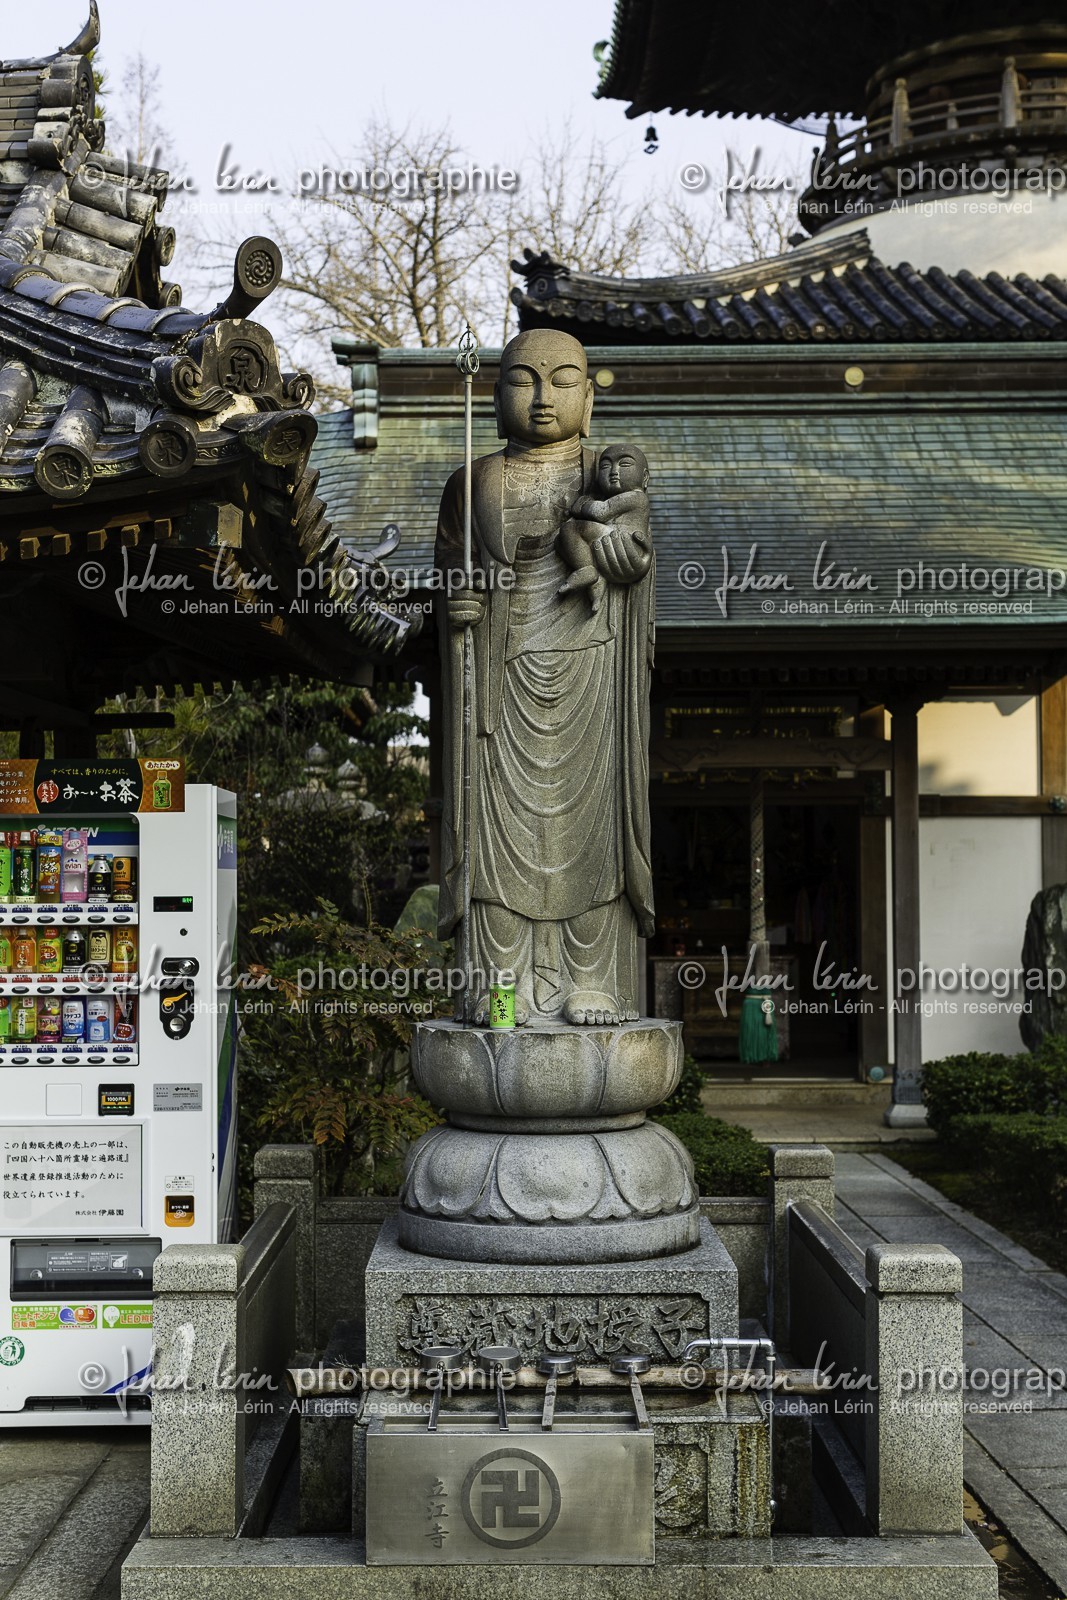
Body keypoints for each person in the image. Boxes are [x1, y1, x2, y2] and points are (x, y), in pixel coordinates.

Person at [435, 329, 655, 1026]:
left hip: (593, 665)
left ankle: (592, 979)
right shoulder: (469, 482)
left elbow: (635, 565)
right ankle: (503, 984)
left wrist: (625, 560)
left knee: (590, 828)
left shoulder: (612, 475)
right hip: (499, 675)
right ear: (496, 393)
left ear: (588, 398)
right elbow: (448, 583)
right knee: (496, 828)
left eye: (562, 381)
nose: (540, 396)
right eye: (522, 380)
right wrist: (455, 608)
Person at [557, 443, 651, 614]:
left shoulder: (636, 497)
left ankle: (586, 569)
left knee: (570, 530)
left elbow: (601, 512)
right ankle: (596, 586)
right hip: (613, 551)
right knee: (564, 541)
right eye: (605, 466)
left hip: (625, 549)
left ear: (645, 478)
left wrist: (582, 504)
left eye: (625, 464)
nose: (614, 471)